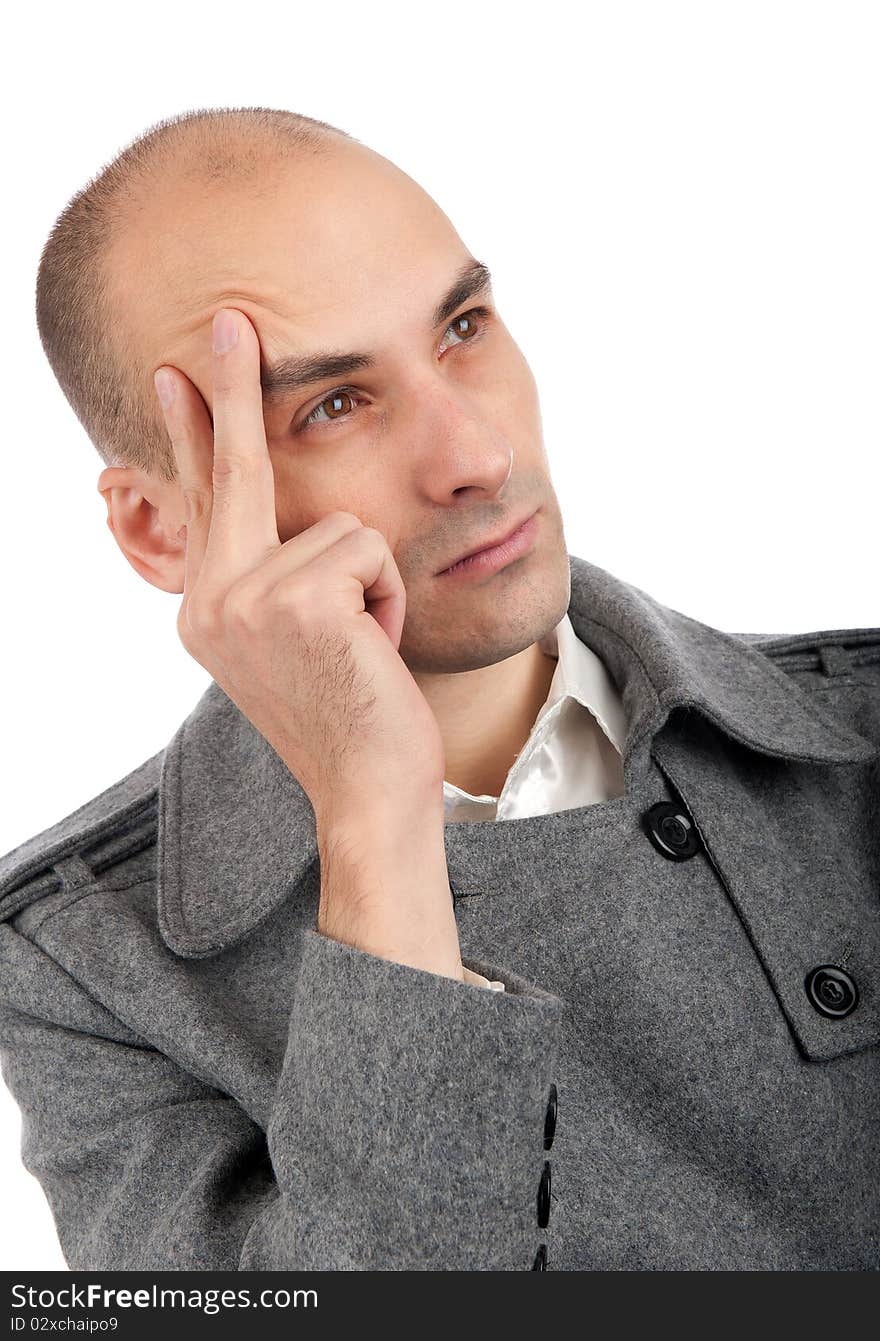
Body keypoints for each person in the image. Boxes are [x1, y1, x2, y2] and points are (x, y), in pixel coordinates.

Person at [1, 105, 878, 1272]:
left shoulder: (857, 735)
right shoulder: (82, 964)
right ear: (164, 529)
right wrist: (374, 824)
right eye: (330, 405)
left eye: (463, 326)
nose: (475, 455)